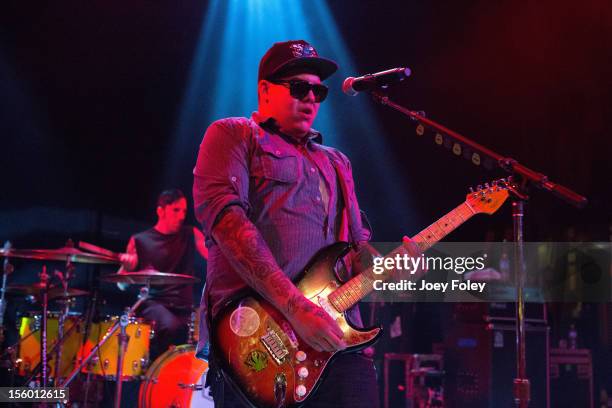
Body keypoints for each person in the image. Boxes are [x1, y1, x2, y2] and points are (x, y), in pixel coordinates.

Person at [193, 40, 388, 407]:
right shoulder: (234, 135)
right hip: (260, 344)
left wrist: (389, 265)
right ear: (265, 89)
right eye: (300, 87)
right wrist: (297, 310)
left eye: (319, 90)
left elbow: (355, 251)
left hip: (337, 344)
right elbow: (229, 226)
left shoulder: (338, 163)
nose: (312, 97)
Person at [119, 188, 208, 358]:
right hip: (154, 305)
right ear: (160, 211)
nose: (181, 216)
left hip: (184, 308)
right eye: (176, 210)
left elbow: (213, 256)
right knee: (171, 327)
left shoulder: (190, 234)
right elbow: (121, 285)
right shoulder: (140, 240)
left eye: (184, 211)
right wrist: (127, 268)